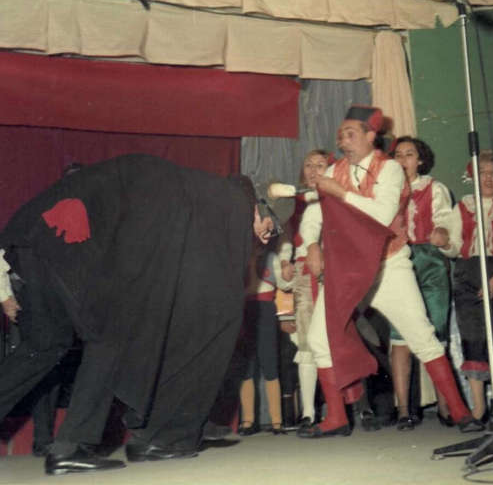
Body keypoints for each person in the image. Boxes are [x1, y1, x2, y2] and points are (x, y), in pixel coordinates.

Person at [0, 154, 274, 475]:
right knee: (111, 336)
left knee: (42, 347)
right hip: (67, 243)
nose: (261, 237)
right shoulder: (216, 196)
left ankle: (71, 446)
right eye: (266, 228)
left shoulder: (176, 186)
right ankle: (69, 447)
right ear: (257, 208)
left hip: (32, 241)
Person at [297, 105, 475, 438]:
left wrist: (341, 193)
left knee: (422, 336)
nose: (343, 141)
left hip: (388, 266)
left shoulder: (390, 169)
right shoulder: (336, 170)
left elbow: (380, 216)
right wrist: (311, 245)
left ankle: (462, 412)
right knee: (319, 338)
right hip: (348, 272)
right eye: (340, 136)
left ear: (370, 136)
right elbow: (314, 216)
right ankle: (336, 418)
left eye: (350, 134)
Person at [431, 150, 493, 429]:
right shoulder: (464, 207)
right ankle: (478, 408)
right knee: (473, 339)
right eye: (482, 173)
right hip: (467, 276)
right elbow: (456, 248)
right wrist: (444, 242)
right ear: (473, 177)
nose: (488, 178)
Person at [390, 137, 453, 430]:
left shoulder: (435, 189)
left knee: (435, 334)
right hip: (398, 262)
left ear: (420, 160)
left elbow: (446, 224)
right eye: (398, 155)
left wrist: (441, 231)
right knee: (400, 337)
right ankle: (403, 409)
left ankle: (445, 404)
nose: (403, 160)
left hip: (430, 263)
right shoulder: (386, 191)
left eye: (409, 154)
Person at [277, 150, 329, 430]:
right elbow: (286, 237)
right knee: (307, 342)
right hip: (304, 274)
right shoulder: (294, 203)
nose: (313, 170)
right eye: (308, 165)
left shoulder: (336, 197)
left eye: (320, 165)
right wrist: (285, 259)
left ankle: (347, 407)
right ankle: (309, 411)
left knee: (335, 340)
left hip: (333, 272)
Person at [237, 239, 291, 436]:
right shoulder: (241, 256)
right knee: (246, 367)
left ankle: (277, 422)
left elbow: (285, 284)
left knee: (270, 364)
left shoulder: (272, 258)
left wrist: (287, 272)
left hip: (266, 309)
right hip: (245, 310)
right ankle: (247, 421)